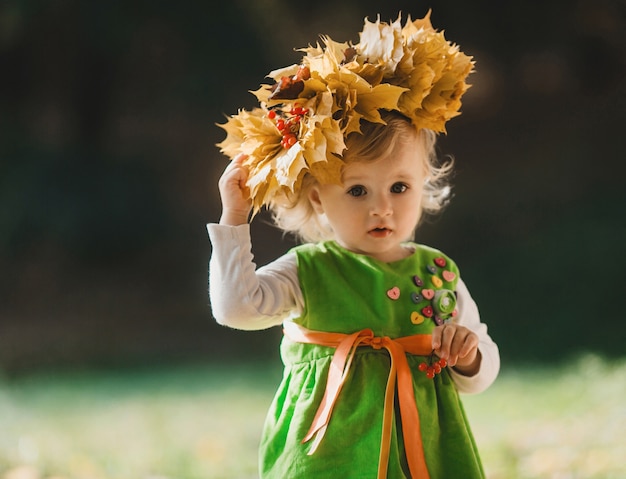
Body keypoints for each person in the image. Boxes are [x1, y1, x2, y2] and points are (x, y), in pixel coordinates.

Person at [208, 11, 500, 479]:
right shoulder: (309, 269)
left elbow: (481, 374)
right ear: (319, 197)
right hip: (328, 454)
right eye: (358, 191)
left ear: (425, 183)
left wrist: (468, 356)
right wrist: (235, 217)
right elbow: (236, 310)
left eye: (399, 187)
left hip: (421, 450)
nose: (380, 208)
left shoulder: (437, 272)